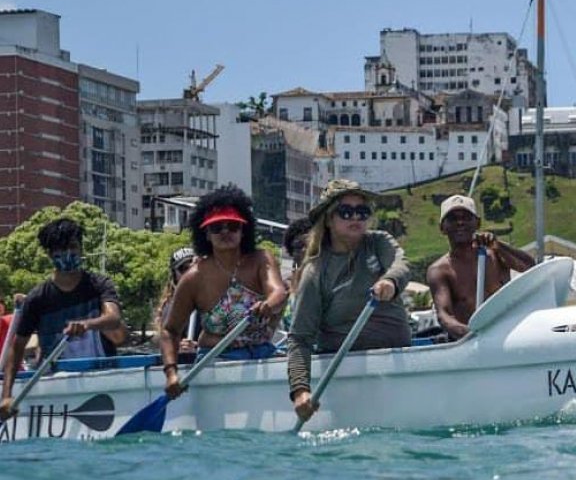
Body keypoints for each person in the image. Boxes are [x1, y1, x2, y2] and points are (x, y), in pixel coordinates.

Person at [289, 179, 412, 422]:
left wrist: (390, 282)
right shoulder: (315, 272)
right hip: (344, 367)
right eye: (346, 212)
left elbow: (402, 264)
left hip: (397, 357)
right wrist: (300, 392)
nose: (355, 217)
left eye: (362, 211)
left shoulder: (378, 243)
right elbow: (300, 338)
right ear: (329, 219)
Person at [160, 185, 288, 399]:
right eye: (217, 228)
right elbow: (169, 331)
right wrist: (171, 373)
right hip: (216, 362)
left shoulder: (261, 259)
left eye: (233, 226)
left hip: (263, 354)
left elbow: (279, 293)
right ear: (206, 235)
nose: (225, 232)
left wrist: (267, 306)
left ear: (243, 230)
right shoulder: (194, 277)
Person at [1, 218, 128, 421]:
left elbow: (113, 318)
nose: (68, 253)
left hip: (103, 379)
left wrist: (87, 325)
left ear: (81, 248)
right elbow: (17, 349)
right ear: (50, 254)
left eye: (73, 247)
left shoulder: (98, 284)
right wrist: (6, 396)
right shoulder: (37, 299)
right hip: (56, 387)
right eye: (61, 248)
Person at [426, 194, 536, 341]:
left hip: (508, 338)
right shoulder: (439, 270)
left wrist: (499, 245)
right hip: (470, 344)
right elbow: (444, 316)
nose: (460, 223)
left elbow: (530, 268)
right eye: (453, 219)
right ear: (442, 228)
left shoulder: (496, 254)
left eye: (466, 217)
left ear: (477, 223)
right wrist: (473, 337)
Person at [153, 247, 199, 353]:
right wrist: (182, 347)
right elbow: (168, 343)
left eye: (194, 267)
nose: (189, 272)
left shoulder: (216, 300)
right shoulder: (172, 307)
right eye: (183, 268)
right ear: (175, 275)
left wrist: (199, 348)